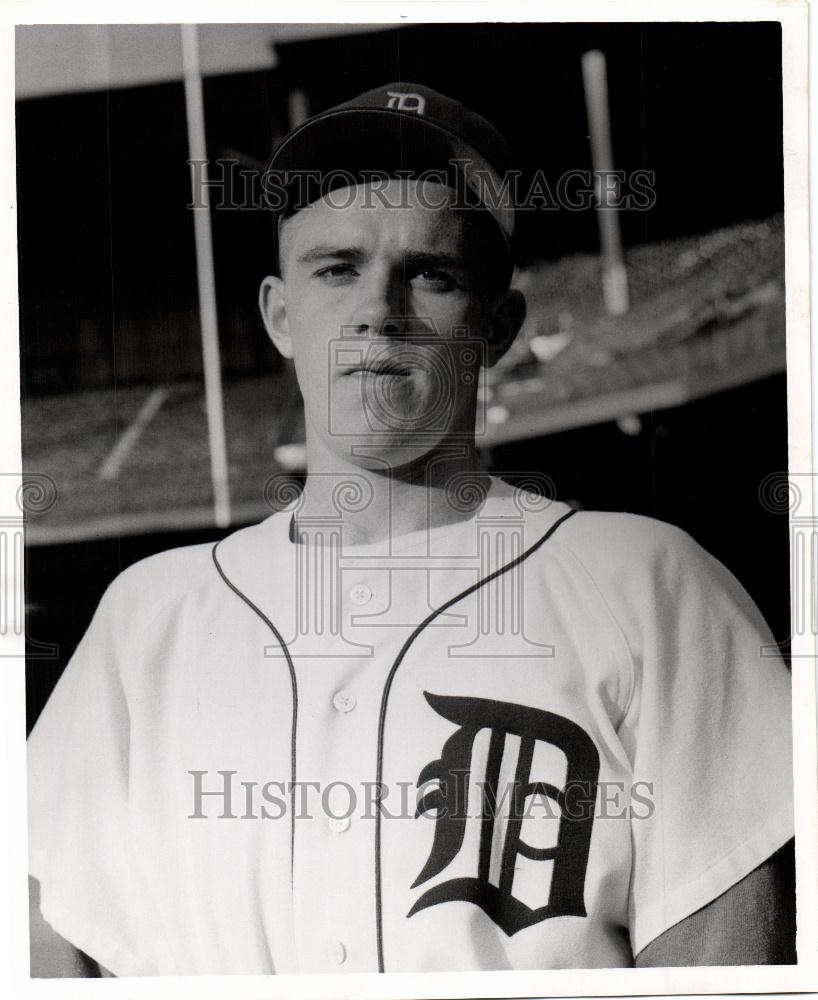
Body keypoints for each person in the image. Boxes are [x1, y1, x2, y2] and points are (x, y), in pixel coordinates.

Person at [28, 82, 795, 977]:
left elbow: (722, 962)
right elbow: (48, 944)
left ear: (498, 325)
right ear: (280, 314)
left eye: (430, 273)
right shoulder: (147, 618)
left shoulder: (649, 584)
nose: (377, 310)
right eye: (336, 267)